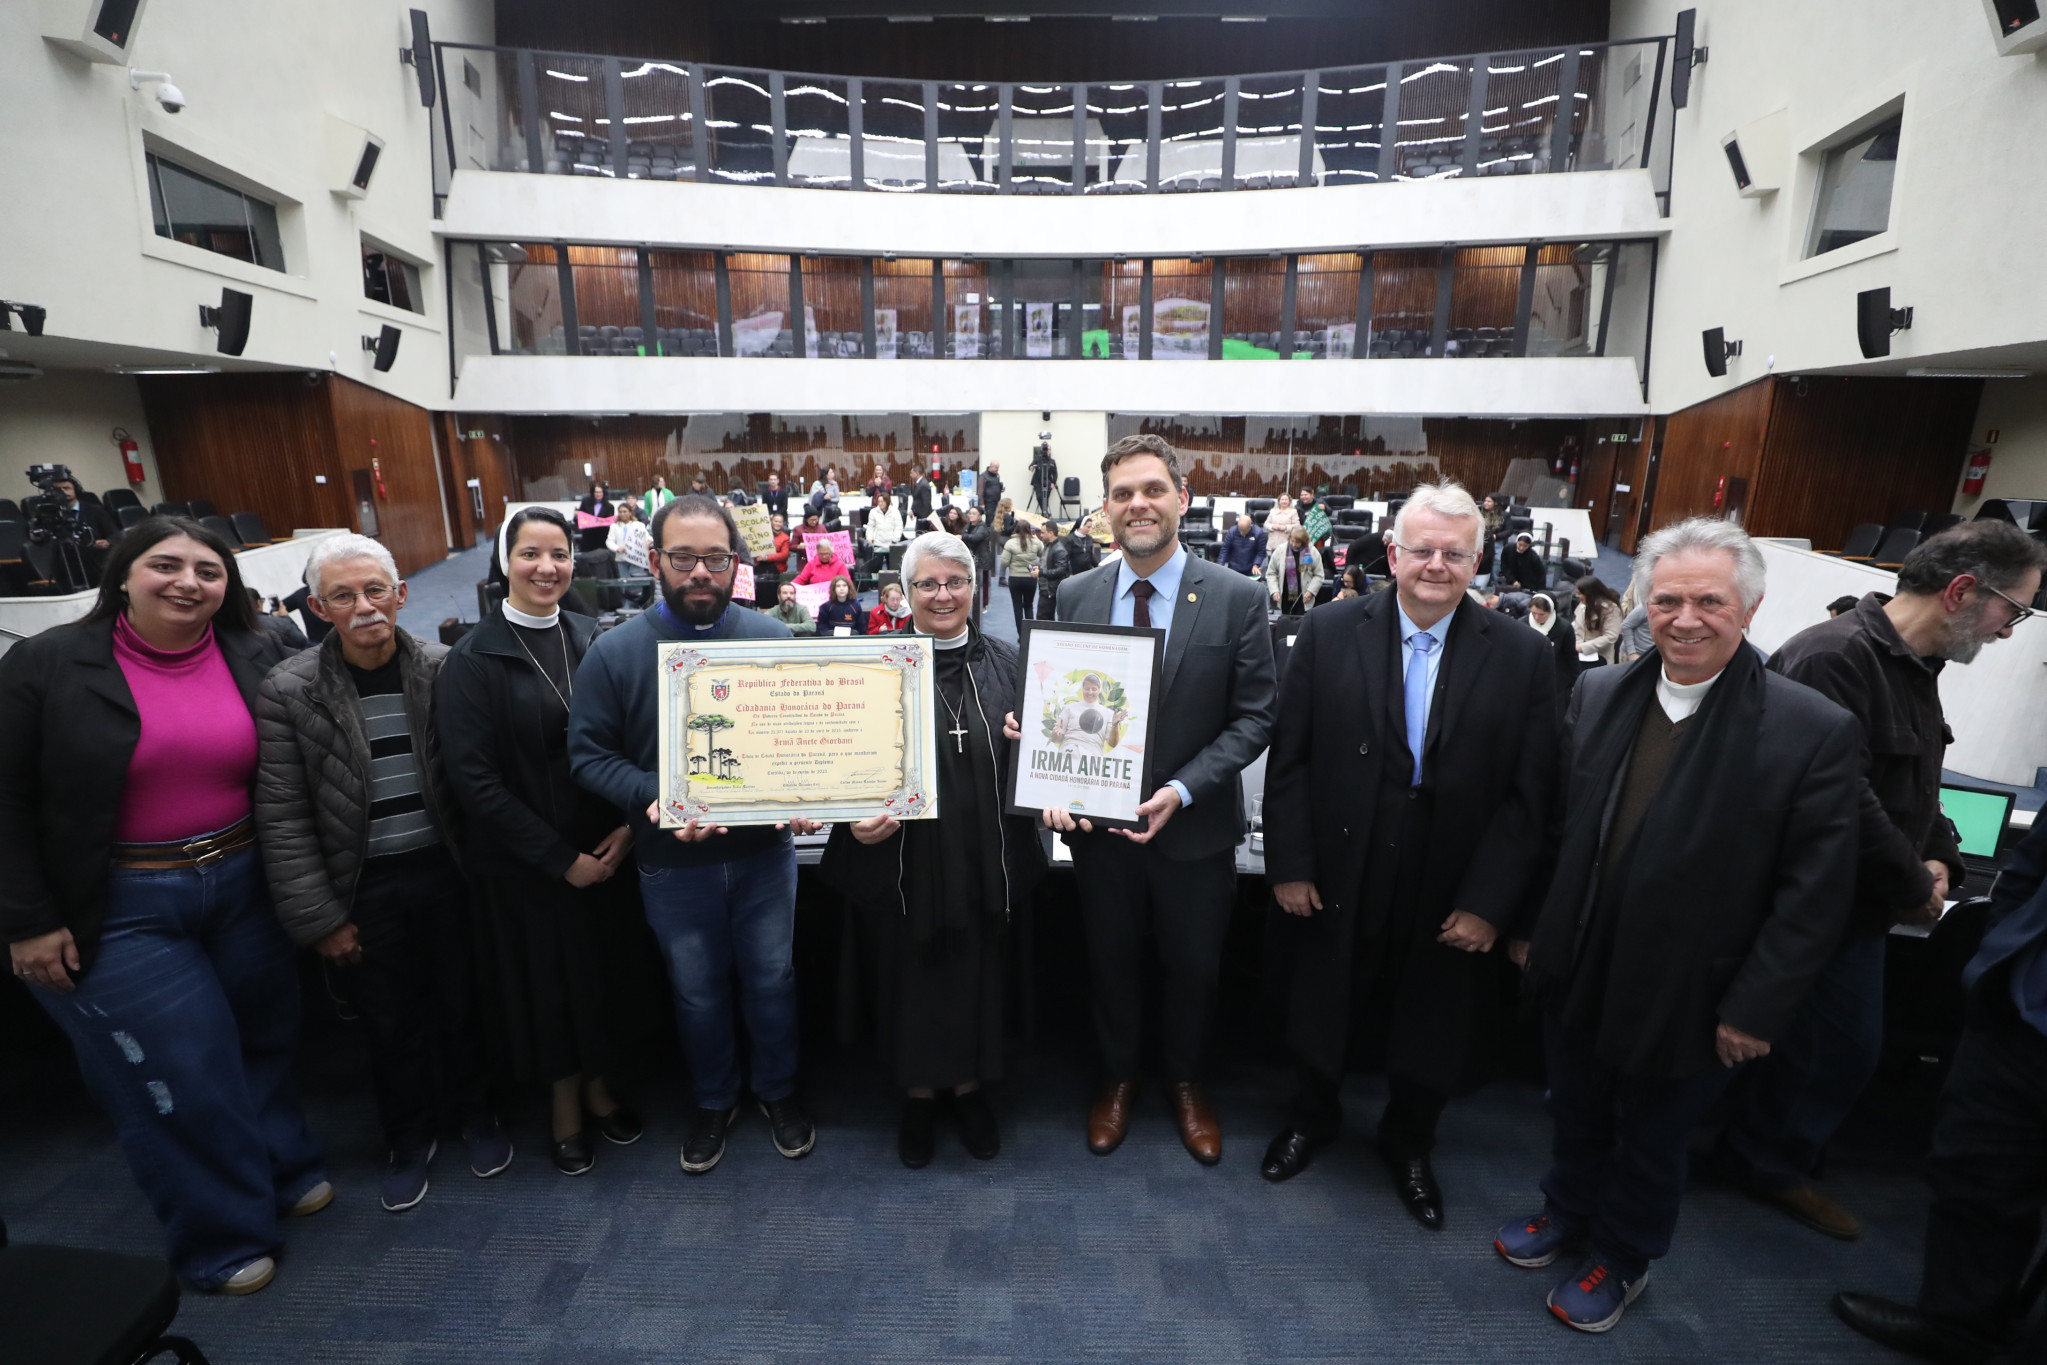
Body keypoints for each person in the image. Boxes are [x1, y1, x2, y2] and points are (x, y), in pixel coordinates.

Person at [1502, 518, 1860, 1333]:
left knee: (1653, 1136)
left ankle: (1622, 1254)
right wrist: (1534, 929)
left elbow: (1814, 892)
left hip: (1697, 991)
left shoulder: (1809, 728)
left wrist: (1755, 1008)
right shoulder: (1597, 694)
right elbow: (1558, 831)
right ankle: (1566, 1210)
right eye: (1667, 600)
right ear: (1641, 602)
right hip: (1583, 958)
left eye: (1709, 601)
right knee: (1574, 1105)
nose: (1685, 618)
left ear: (1751, 606)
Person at [0, 517, 326, 1296]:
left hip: (244, 877)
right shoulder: (46, 664)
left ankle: (283, 1168)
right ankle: (222, 1235)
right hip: (121, 899)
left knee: (264, 1039)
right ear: (122, 573)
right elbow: (4, 798)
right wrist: (26, 920)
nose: (188, 582)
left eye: (207, 570)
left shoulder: (258, 649)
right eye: (165, 564)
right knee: (181, 1071)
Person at [1715, 521, 2044, 1240]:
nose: (2009, 630)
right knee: (1809, 1048)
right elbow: (1841, 800)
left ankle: (1760, 1159)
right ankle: (1752, 1162)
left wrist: (1943, 860)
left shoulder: (1912, 667)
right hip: (1800, 908)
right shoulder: (1831, 659)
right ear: (1961, 591)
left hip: (1856, 908)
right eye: (2011, 610)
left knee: (1830, 1052)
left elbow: (1914, 788)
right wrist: (1913, 882)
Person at [1261, 483, 1558, 1230]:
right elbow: (1288, 758)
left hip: (1452, 868)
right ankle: (1311, 1115)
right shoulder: (1326, 629)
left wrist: (1492, 901)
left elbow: (1533, 794)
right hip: (1338, 859)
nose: (1435, 564)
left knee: (1436, 1011)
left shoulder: (1522, 654)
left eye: (1453, 553)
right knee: (1324, 995)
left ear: (1478, 559)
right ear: (1390, 552)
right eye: (1420, 549)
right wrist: (1289, 863)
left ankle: (1410, 1138)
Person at [1015, 435, 1276, 1165]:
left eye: (1153, 489)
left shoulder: (1237, 596)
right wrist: (1038, 747)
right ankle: (1119, 1078)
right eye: (1123, 493)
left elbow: (1256, 715)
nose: (1138, 504)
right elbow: (1064, 703)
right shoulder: (1076, 593)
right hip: (1100, 835)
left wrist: (1182, 788)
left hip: (1193, 834)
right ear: (1103, 509)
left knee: (1194, 966)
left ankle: (1187, 1081)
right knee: (1111, 960)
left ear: (1181, 500)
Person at [568, 494, 820, 1175]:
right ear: (654, 561)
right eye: (683, 558)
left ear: (735, 563)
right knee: (697, 990)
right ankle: (713, 1099)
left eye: (714, 558)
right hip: (671, 866)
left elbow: (803, 743)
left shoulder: (772, 640)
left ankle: (778, 1090)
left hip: (765, 856)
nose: (699, 572)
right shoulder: (614, 652)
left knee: (772, 979)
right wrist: (656, 795)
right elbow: (587, 755)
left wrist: (809, 791)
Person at [256, 533, 509, 1213]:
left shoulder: (444, 665)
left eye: (376, 590)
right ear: (317, 607)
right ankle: (406, 1133)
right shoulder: (289, 690)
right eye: (343, 595)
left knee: (463, 1002)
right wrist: (321, 918)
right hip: (361, 885)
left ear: (401, 595)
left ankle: (475, 1112)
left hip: (447, 870)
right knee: (387, 1020)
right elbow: (281, 816)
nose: (364, 606)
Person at [821, 532, 1045, 1167]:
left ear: (976, 590)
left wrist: (1028, 746)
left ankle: (971, 1089)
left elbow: (1051, 755)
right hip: (903, 863)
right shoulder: (868, 669)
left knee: (977, 973)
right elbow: (832, 763)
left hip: (983, 857)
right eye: (927, 584)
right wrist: (849, 820)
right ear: (904, 593)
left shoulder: (1011, 664)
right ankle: (919, 1095)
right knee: (909, 977)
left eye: (956, 582)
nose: (943, 595)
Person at [435, 508, 642, 1178]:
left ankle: (599, 1084)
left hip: (604, 846)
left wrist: (626, 826)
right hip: (527, 863)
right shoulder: (472, 658)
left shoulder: (592, 634)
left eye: (559, 554)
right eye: (529, 553)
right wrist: (559, 860)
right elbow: (473, 781)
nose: (547, 567)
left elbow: (626, 738)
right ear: (504, 562)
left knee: (601, 979)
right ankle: (564, 1102)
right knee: (547, 990)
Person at [1831, 816, 2047, 1365]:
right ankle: (1957, 1323)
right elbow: (2029, 866)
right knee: (1974, 1173)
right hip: (2022, 1017)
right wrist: (1997, 953)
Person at [1527, 591, 1582, 700]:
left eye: (1541, 614)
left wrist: (1576, 682)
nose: (1536, 617)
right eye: (1533, 613)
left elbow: (1571, 656)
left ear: (1551, 611)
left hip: (1555, 681)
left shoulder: (1564, 628)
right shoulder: (1523, 624)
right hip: (1528, 679)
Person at [1266, 526, 1324, 615]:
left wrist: (1311, 591)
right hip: (1285, 595)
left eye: (1297, 542)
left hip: (1304, 597)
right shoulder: (1280, 550)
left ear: (1304, 541)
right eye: (1292, 541)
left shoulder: (1312, 552)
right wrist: (1274, 590)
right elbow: (1271, 573)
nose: (1293, 544)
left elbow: (1319, 575)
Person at [1573, 576, 1624, 666]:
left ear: (1589, 593)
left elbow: (1610, 636)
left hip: (1600, 657)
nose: (1577, 596)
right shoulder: (1583, 604)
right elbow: (1576, 625)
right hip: (1579, 655)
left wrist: (1582, 647)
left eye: (1579, 593)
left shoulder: (1610, 609)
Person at [1002, 520, 1042, 632]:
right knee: (1029, 605)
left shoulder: (1010, 543)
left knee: (1017, 607)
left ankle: (1021, 635)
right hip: (1031, 578)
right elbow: (1043, 554)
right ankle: (1030, 633)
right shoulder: (1036, 542)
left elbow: (1004, 562)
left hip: (1015, 578)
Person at [607, 500, 654, 580]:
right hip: (621, 559)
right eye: (620, 512)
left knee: (636, 582)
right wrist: (617, 548)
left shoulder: (639, 525)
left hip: (636, 559)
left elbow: (647, 537)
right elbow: (609, 541)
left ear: (630, 513)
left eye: (625, 511)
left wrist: (649, 542)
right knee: (623, 582)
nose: (622, 514)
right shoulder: (614, 526)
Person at [862, 490, 904, 574]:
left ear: (887, 501)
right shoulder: (873, 512)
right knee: (876, 569)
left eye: (882, 501)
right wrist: (869, 538)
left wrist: (895, 540)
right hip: (878, 545)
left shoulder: (895, 512)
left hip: (891, 545)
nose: (880, 503)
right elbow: (870, 526)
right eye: (879, 501)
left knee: (892, 569)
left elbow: (898, 527)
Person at [756, 512, 793, 606]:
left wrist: (767, 557)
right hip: (760, 567)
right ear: (771, 522)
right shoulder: (762, 534)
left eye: (780, 522)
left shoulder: (785, 537)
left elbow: (784, 554)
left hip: (776, 569)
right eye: (776, 521)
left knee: (773, 593)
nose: (778, 523)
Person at [963, 506, 996, 607]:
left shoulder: (982, 527)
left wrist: (963, 536)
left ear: (979, 516)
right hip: (973, 557)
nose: (971, 515)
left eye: (974, 514)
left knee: (983, 582)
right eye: (970, 513)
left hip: (982, 558)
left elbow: (976, 538)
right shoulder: (968, 526)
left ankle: (984, 603)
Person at [576, 483, 615, 554]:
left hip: (601, 537)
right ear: (593, 493)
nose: (598, 494)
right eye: (596, 492)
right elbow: (578, 518)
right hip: (588, 536)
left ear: (604, 493)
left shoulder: (609, 506)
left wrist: (596, 522)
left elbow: (610, 523)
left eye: (600, 492)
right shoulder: (586, 502)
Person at [1263, 494, 1300, 559]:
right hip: (1273, 541)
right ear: (1279, 501)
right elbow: (1266, 523)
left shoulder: (1293, 512)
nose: (1284, 501)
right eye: (1282, 499)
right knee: (1271, 562)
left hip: (1286, 540)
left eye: (1286, 500)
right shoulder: (1273, 511)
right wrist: (1273, 526)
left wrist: (1286, 527)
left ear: (1289, 501)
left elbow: (1297, 526)